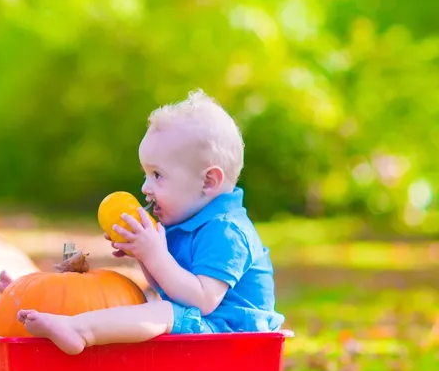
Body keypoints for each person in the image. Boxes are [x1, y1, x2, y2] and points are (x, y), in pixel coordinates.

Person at [19, 90, 282, 355]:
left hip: (236, 335)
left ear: (208, 182)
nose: (145, 187)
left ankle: (80, 330)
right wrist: (144, 254)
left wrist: (155, 254)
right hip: (209, 328)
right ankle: (76, 327)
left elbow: (202, 300)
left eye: (158, 175)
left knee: (161, 311)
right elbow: (169, 287)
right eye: (146, 174)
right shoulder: (187, 221)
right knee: (154, 304)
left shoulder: (227, 231)